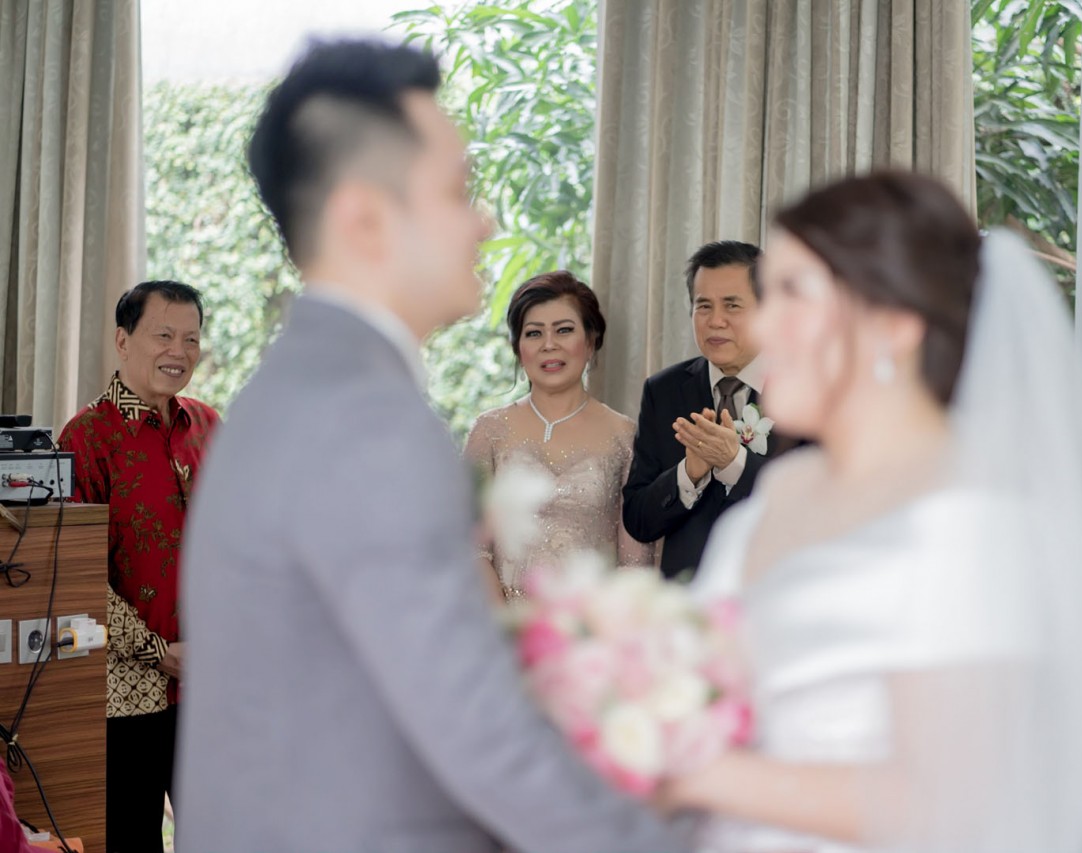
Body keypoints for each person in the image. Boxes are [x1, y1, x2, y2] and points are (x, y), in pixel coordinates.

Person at [175, 39, 688, 853]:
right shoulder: (365, 419)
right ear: (366, 219)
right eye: (457, 191)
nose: (483, 221)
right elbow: (478, 729)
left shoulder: (297, 390)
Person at [657, 172, 1082, 852]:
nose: (761, 326)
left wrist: (692, 771)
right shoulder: (782, 489)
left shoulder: (972, 521)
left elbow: (956, 804)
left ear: (894, 325)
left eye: (792, 293)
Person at [56, 280, 218, 853]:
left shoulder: (209, 427)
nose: (179, 351)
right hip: (124, 689)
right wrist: (159, 651)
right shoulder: (86, 438)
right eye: (164, 335)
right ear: (123, 341)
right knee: (129, 840)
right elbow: (74, 576)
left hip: (212, 683)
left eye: (191, 339)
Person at [464, 271, 652, 598]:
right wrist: (504, 620)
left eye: (564, 330)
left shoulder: (625, 436)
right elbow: (469, 543)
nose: (549, 345)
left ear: (591, 341)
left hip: (590, 621)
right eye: (534, 333)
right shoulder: (489, 431)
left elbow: (634, 562)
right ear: (518, 348)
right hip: (496, 619)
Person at [623, 240, 787, 579]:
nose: (715, 321)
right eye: (703, 306)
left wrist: (736, 463)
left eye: (732, 306)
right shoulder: (663, 390)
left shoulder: (803, 389)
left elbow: (820, 508)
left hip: (774, 589)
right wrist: (687, 474)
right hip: (687, 597)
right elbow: (638, 520)